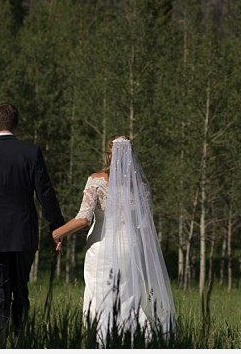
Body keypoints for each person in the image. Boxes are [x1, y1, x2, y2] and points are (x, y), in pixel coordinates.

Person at [52, 135, 175, 343]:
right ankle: (138, 339)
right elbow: (145, 227)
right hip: (132, 249)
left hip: (103, 249)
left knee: (100, 298)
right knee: (130, 297)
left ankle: (101, 340)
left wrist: (57, 233)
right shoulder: (142, 186)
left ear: (108, 154)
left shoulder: (97, 180)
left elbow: (83, 219)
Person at [0, 102, 64, 342]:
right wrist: (56, 228)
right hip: (23, 234)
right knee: (20, 291)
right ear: (16, 125)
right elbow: (46, 193)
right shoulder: (31, 152)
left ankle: (1, 343)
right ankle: (21, 340)